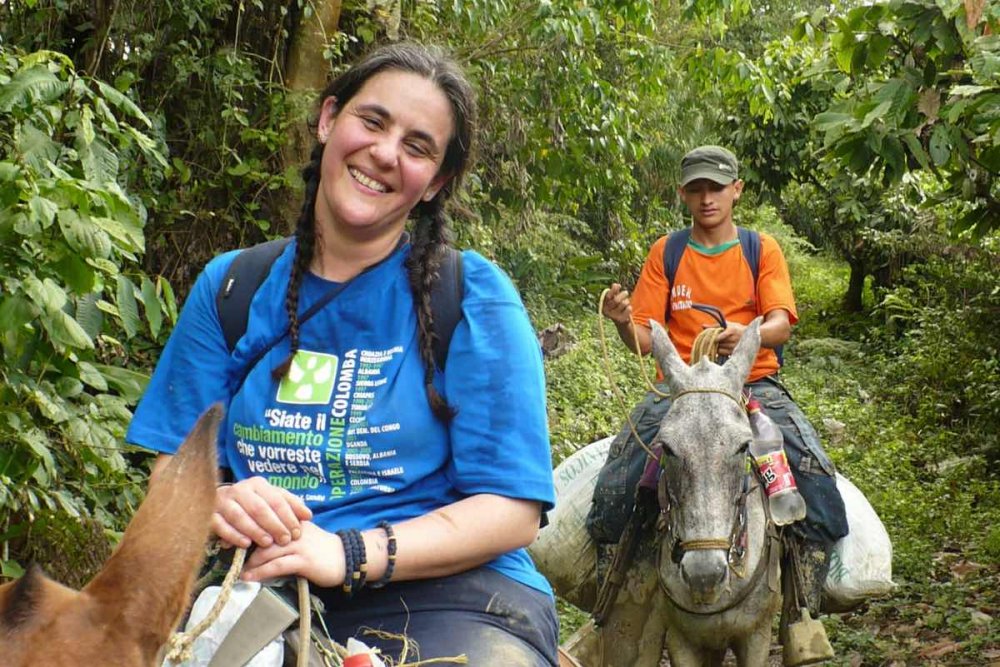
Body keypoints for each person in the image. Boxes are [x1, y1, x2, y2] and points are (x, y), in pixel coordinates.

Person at [127, 42, 559, 666]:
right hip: (263, 585)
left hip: (453, 597)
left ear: (435, 182)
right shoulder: (233, 287)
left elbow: (513, 510)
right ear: (330, 119)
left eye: (417, 146)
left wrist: (349, 553)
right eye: (373, 121)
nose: (385, 154)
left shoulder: (470, 297)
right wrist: (212, 502)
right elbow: (173, 466)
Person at [596, 145, 848, 658]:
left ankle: (801, 605)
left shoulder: (761, 249)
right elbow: (646, 341)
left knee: (811, 476)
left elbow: (780, 322)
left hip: (753, 387)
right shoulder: (667, 252)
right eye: (696, 188)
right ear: (683, 194)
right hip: (682, 391)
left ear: (736, 190)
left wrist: (745, 333)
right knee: (620, 483)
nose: (706, 197)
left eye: (716, 187)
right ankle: (617, 598)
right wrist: (624, 320)